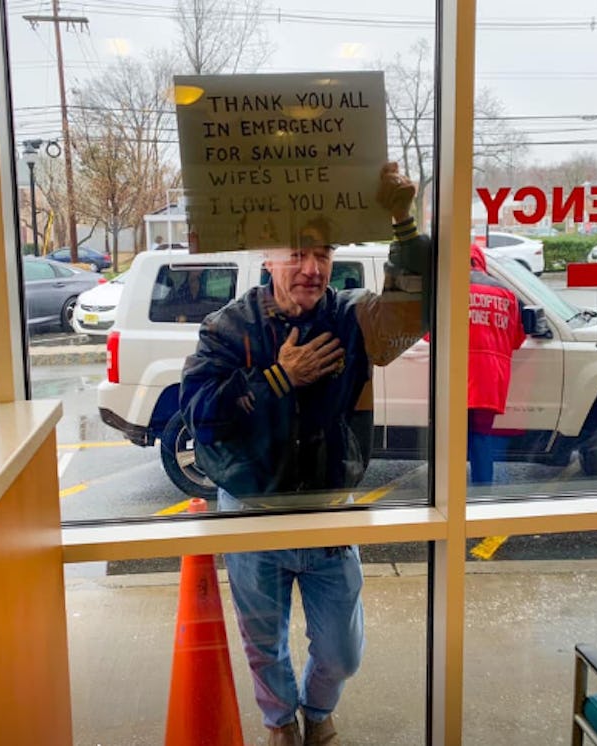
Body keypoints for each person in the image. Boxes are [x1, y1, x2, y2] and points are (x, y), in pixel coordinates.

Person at [179, 162, 430, 746]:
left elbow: (412, 308)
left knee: (341, 651)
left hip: (327, 510)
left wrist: (401, 220)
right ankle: (279, 722)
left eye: (323, 254)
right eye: (296, 253)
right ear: (266, 257)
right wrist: (273, 379)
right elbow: (201, 420)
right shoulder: (226, 329)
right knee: (262, 640)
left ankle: (318, 709)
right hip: (252, 510)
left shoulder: (352, 319)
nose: (312, 269)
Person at [467, 244, 526, 485]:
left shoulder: (446, 289)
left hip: (453, 374)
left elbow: (429, 336)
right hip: (490, 378)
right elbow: (516, 340)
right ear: (480, 261)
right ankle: (482, 491)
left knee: (448, 438)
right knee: (481, 436)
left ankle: (445, 497)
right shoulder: (506, 293)